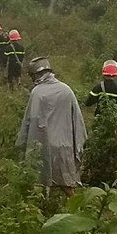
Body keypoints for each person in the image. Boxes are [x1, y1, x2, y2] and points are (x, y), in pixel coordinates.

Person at [16, 56, 87, 196]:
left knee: (39, 179)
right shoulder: (66, 90)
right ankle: (77, 209)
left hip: (43, 145)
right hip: (64, 145)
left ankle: (39, 209)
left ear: (36, 74)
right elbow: (77, 119)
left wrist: (22, 141)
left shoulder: (37, 93)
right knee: (66, 183)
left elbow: (31, 120)